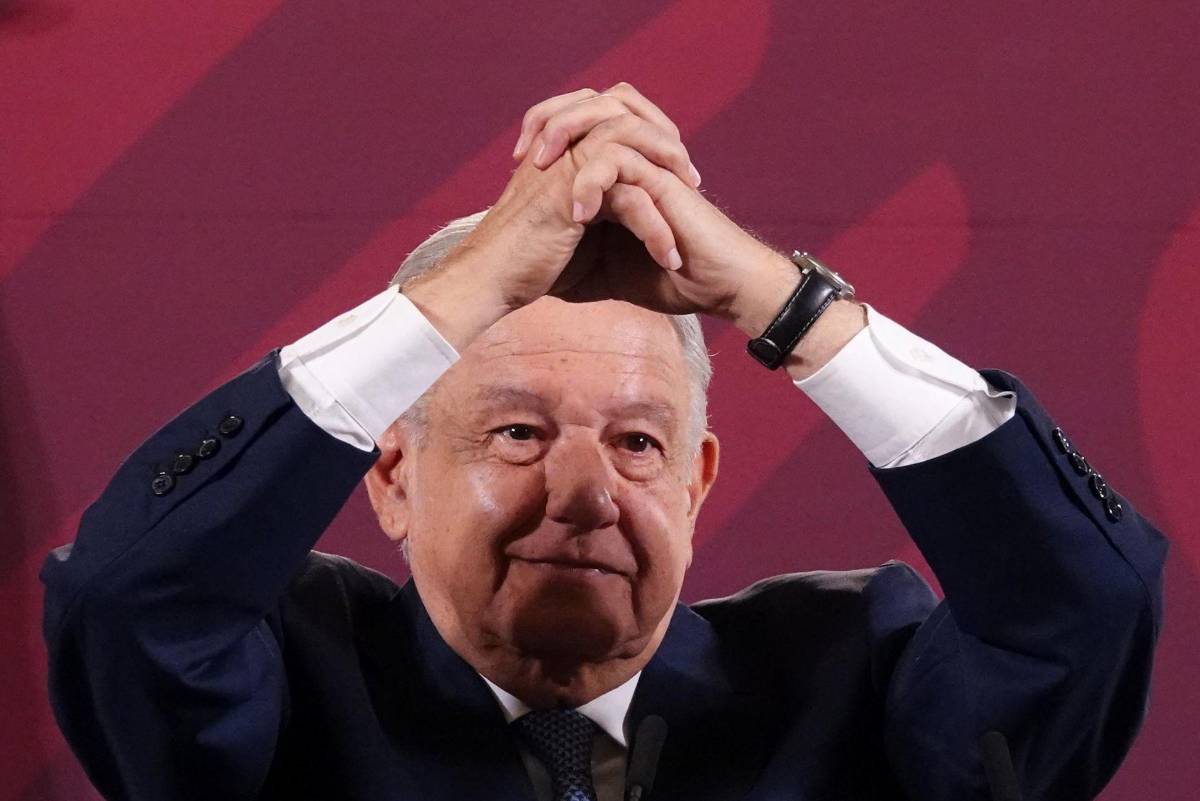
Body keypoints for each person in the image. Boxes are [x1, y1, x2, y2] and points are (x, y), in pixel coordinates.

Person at [41, 83, 1166, 801]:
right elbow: (127, 600)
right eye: (517, 431)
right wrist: (466, 291)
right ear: (392, 473)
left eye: (636, 443)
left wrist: (788, 304)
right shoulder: (288, 679)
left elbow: (1084, 610)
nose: (584, 492)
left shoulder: (851, 681)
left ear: (696, 484)